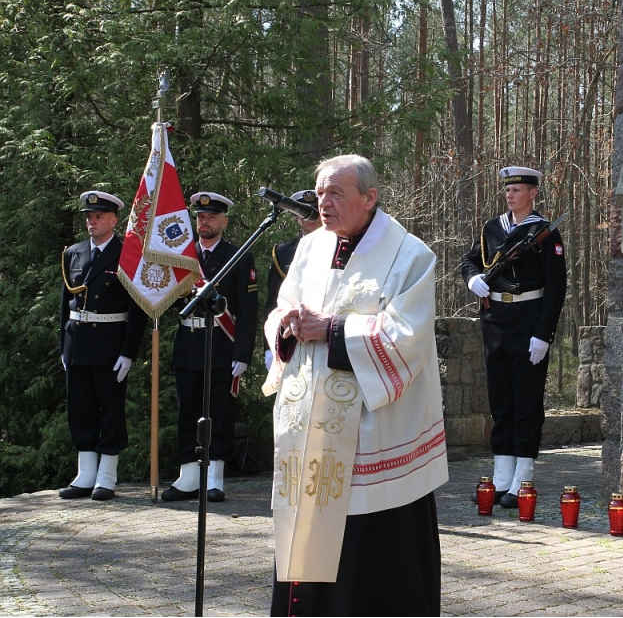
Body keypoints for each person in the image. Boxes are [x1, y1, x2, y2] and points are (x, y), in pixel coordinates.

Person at [263, 154, 448, 615]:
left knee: (372, 562)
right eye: (320, 192)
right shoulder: (310, 247)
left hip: (375, 435)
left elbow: (405, 340)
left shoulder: (410, 256)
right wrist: (285, 324)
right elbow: (281, 309)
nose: (323, 202)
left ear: (370, 197)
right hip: (311, 430)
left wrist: (327, 329)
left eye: (336, 193)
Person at [460, 166, 567, 508]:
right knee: (500, 399)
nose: (510, 195)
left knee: (526, 400)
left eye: (518, 189)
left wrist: (544, 334)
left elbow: (556, 289)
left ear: (533, 193)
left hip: (528, 322)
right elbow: (469, 261)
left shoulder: (545, 232)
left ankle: (523, 474)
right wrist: (473, 278)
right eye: (508, 190)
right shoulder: (492, 228)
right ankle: (501, 471)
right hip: (495, 321)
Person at [161, 192, 258, 503]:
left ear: (224, 221)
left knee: (219, 412)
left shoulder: (238, 255)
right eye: (201, 217)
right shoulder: (184, 257)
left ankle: (214, 478)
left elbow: (248, 310)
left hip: (221, 345)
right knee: (187, 410)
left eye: (212, 216)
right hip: (189, 344)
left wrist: (242, 353)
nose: (205, 221)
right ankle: (189, 477)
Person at [58, 191, 146, 501]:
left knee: (110, 408)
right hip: (78, 342)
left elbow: (137, 309)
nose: (91, 222)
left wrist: (128, 352)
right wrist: (63, 345)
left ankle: (107, 475)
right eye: (89, 217)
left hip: (110, 344)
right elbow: (65, 304)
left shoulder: (127, 254)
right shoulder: (75, 253)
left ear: (113, 220)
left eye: (98, 217)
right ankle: (85, 474)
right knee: (80, 409)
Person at [263, 189, 320, 371]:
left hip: (323, 332)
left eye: (313, 211)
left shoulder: (339, 247)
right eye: (302, 212)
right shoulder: (282, 252)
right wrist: (268, 347)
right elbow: (273, 302)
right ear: (296, 217)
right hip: (290, 337)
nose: (308, 217)